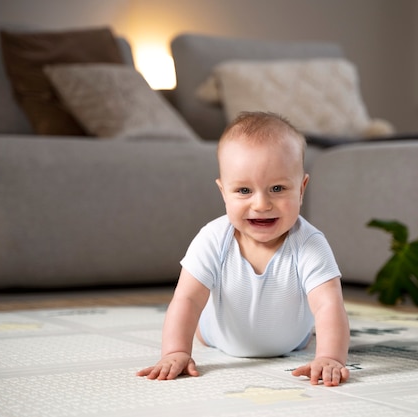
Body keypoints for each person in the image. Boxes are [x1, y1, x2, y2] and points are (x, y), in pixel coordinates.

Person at [136, 111, 350, 386]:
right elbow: (187, 300)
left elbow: (328, 304)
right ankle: (201, 333)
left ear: (301, 188)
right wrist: (175, 351)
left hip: (292, 341)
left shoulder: (309, 243)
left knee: (322, 323)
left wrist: (331, 357)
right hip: (217, 334)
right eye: (244, 191)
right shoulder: (212, 239)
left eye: (277, 188)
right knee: (199, 321)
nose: (261, 204)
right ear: (223, 191)